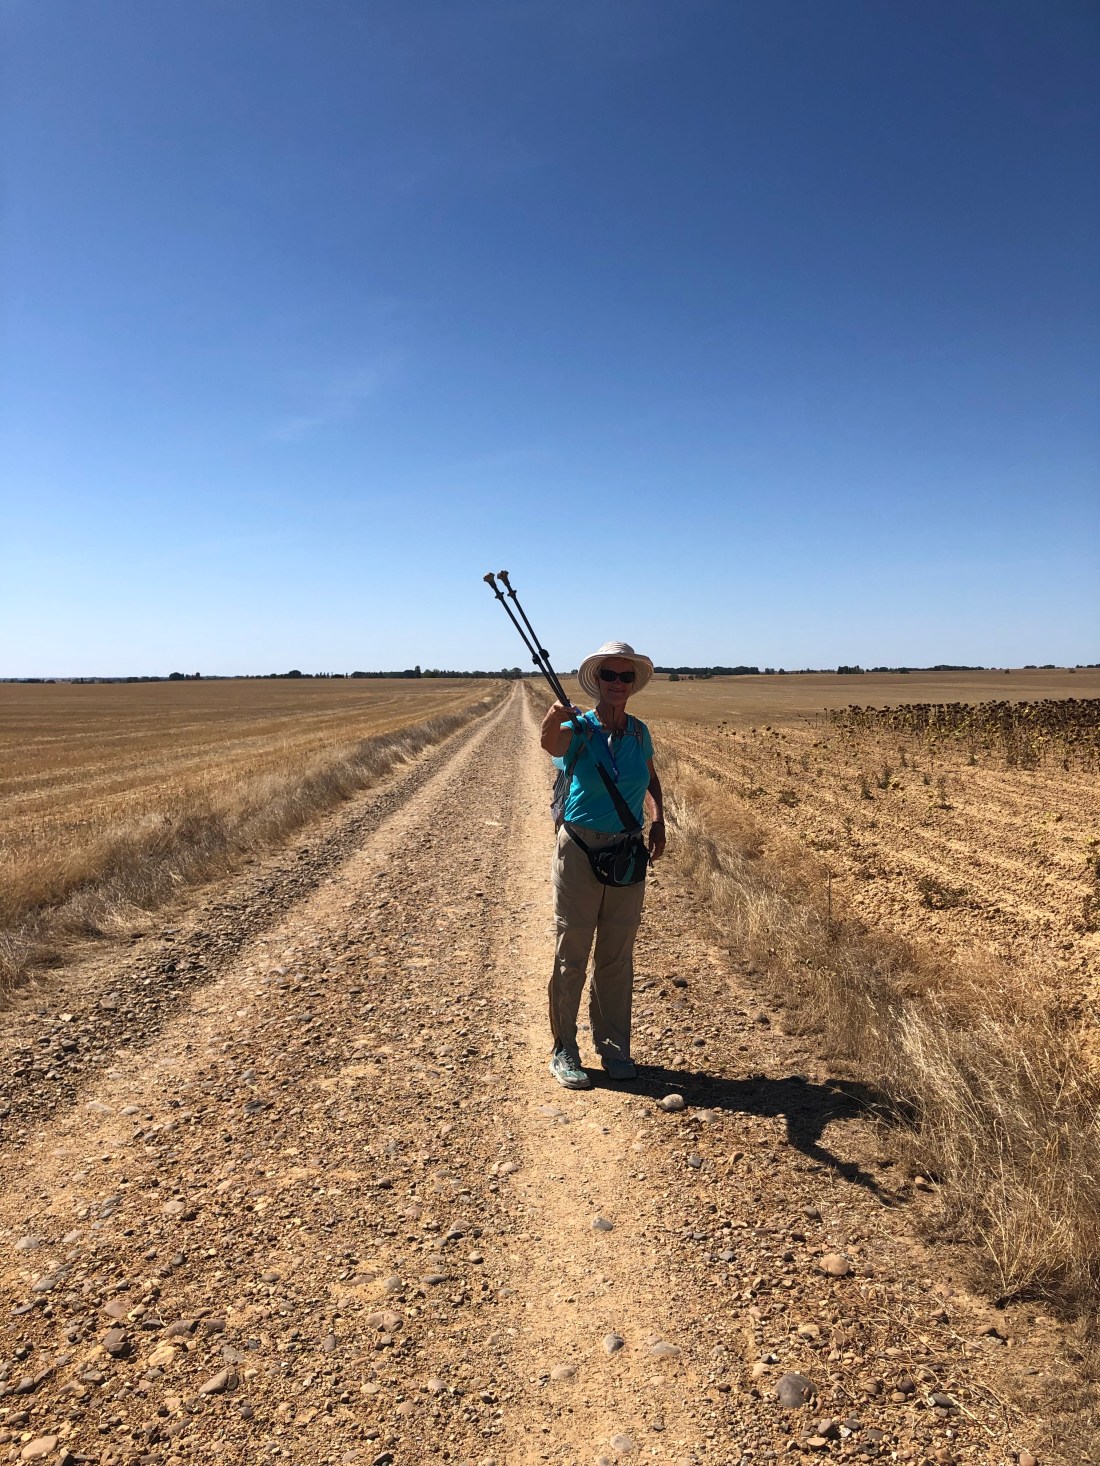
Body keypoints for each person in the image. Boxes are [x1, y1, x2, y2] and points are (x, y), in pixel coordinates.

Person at [540, 640, 665, 1089]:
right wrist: (553, 717)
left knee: (616, 956)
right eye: (609, 674)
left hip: (627, 853)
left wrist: (658, 820)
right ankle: (564, 1048)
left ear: (633, 684)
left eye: (625, 676)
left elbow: (651, 779)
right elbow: (550, 744)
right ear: (597, 681)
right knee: (571, 953)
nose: (617, 682)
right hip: (579, 849)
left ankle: (613, 1048)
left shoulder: (639, 733)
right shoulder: (579, 728)